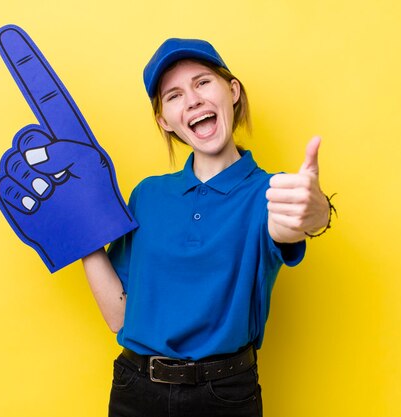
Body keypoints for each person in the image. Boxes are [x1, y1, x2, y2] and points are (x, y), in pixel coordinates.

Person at [81, 38, 332, 417]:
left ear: (231, 91)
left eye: (202, 83)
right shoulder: (147, 196)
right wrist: (80, 233)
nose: (193, 100)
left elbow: (296, 222)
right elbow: (119, 316)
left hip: (225, 395)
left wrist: (316, 212)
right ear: (164, 120)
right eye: (175, 95)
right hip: (135, 390)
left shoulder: (271, 192)